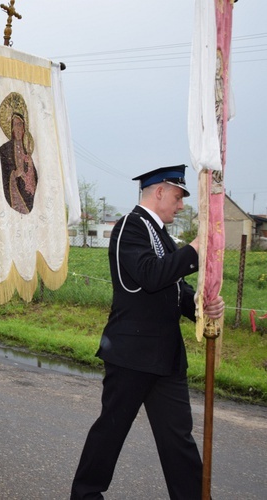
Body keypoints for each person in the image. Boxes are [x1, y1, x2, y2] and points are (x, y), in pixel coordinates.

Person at [70, 165, 226, 500]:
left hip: (166, 358)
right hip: (131, 355)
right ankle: (85, 495)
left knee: (178, 439)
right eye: (177, 196)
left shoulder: (163, 236)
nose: (181, 205)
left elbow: (174, 289)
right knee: (111, 432)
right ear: (159, 191)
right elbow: (151, 276)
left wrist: (201, 305)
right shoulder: (131, 227)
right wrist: (197, 248)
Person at [0, 92, 38, 214]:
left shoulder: (28, 147)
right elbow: (4, 174)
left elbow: (36, 176)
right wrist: (15, 174)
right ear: (11, 128)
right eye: (15, 125)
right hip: (15, 193)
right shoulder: (4, 149)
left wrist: (30, 167)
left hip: (28, 194)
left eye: (20, 124)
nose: (18, 128)